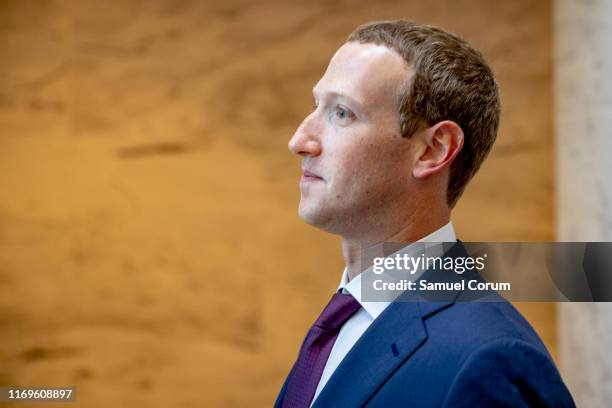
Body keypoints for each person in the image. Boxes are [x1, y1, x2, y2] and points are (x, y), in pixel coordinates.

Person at [274, 20, 575, 408]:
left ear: (433, 149)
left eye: (342, 113)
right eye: (316, 105)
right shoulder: (343, 320)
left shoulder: (489, 359)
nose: (299, 141)